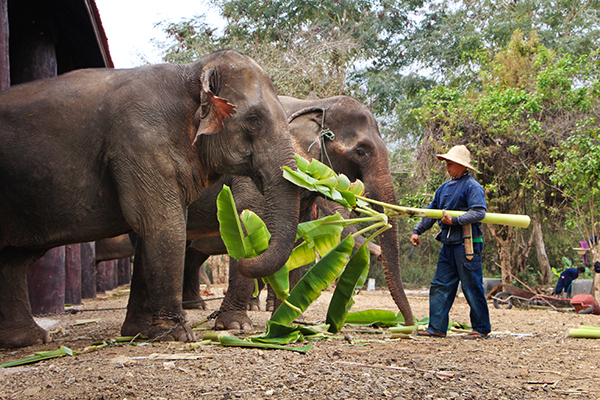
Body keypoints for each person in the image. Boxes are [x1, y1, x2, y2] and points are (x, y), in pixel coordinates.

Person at [410, 145, 491, 339]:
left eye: (451, 163)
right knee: (440, 285)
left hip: (467, 244)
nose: (447, 166)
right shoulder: (444, 188)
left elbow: (479, 212)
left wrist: (454, 221)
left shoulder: (472, 186)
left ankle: (481, 328)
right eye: (446, 163)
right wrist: (417, 231)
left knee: (472, 286)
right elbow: (432, 212)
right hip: (448, 245)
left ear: (462, 166)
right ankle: (436, 327)